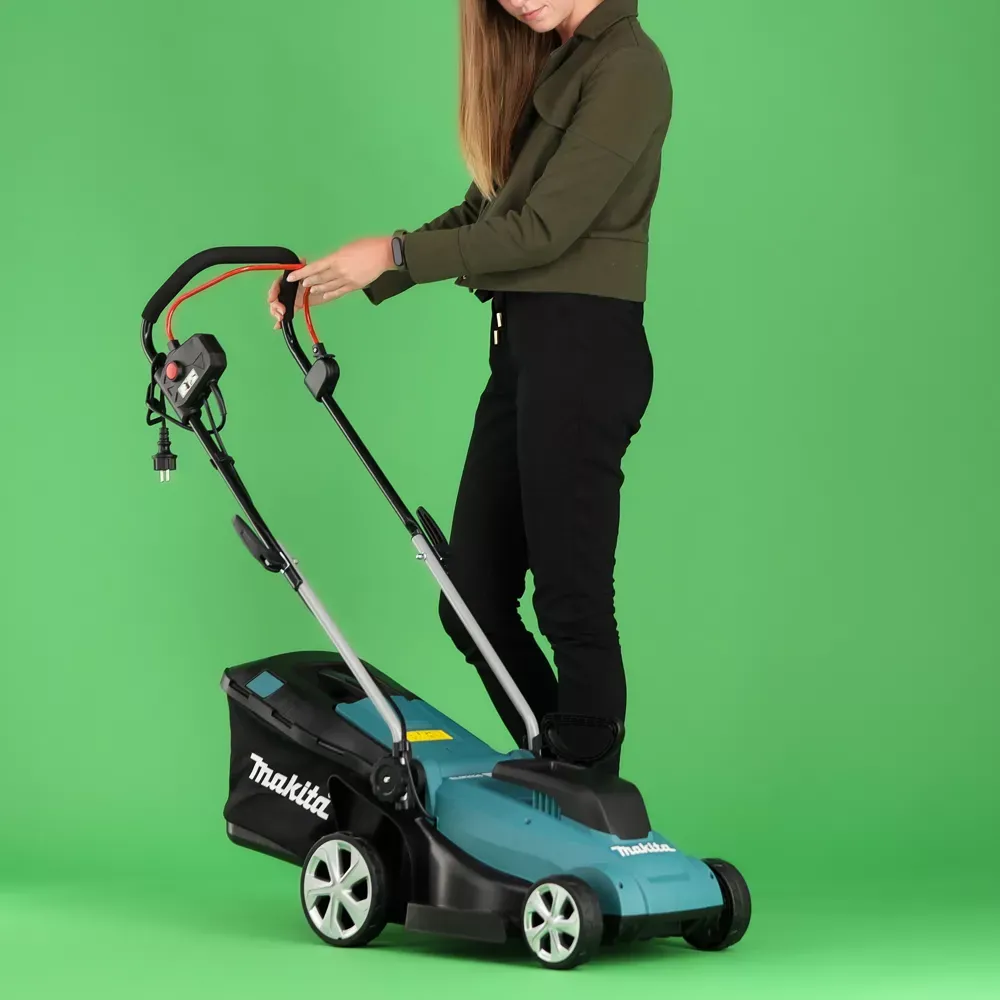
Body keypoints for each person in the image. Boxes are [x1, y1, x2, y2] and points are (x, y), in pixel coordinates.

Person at [270, 0, 672, 773]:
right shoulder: (552, 61)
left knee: (572, 606)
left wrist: (391, 254)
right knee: (473, 601)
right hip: (525, 351)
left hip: (584, 353)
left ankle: (587, 794)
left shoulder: (628, 67)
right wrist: (330, 278)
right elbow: (487, 209)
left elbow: (541, 233)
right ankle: (558, 769)